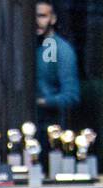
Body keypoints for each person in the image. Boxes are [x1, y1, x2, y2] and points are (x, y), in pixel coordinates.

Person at [35, 1, 80, 132]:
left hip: (50, 124)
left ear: (53, 18)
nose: (37, 21)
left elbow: (71, 96)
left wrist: (42, 102)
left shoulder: (62, 50)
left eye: (42, 16)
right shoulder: (28, 46)